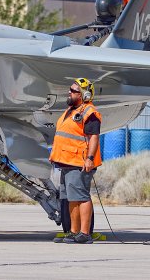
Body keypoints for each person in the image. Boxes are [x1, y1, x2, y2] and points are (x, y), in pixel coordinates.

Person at [49, 77, 102, 244]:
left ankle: (85, 233)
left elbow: (93, 137)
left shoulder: (89, 113)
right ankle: (74, 232)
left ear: (84, 95)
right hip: (66, 161)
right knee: (72, 198)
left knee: (82, 197)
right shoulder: (71, 111)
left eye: (73, 90)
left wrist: (90, 159)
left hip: (79, 162)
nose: (69, 92)